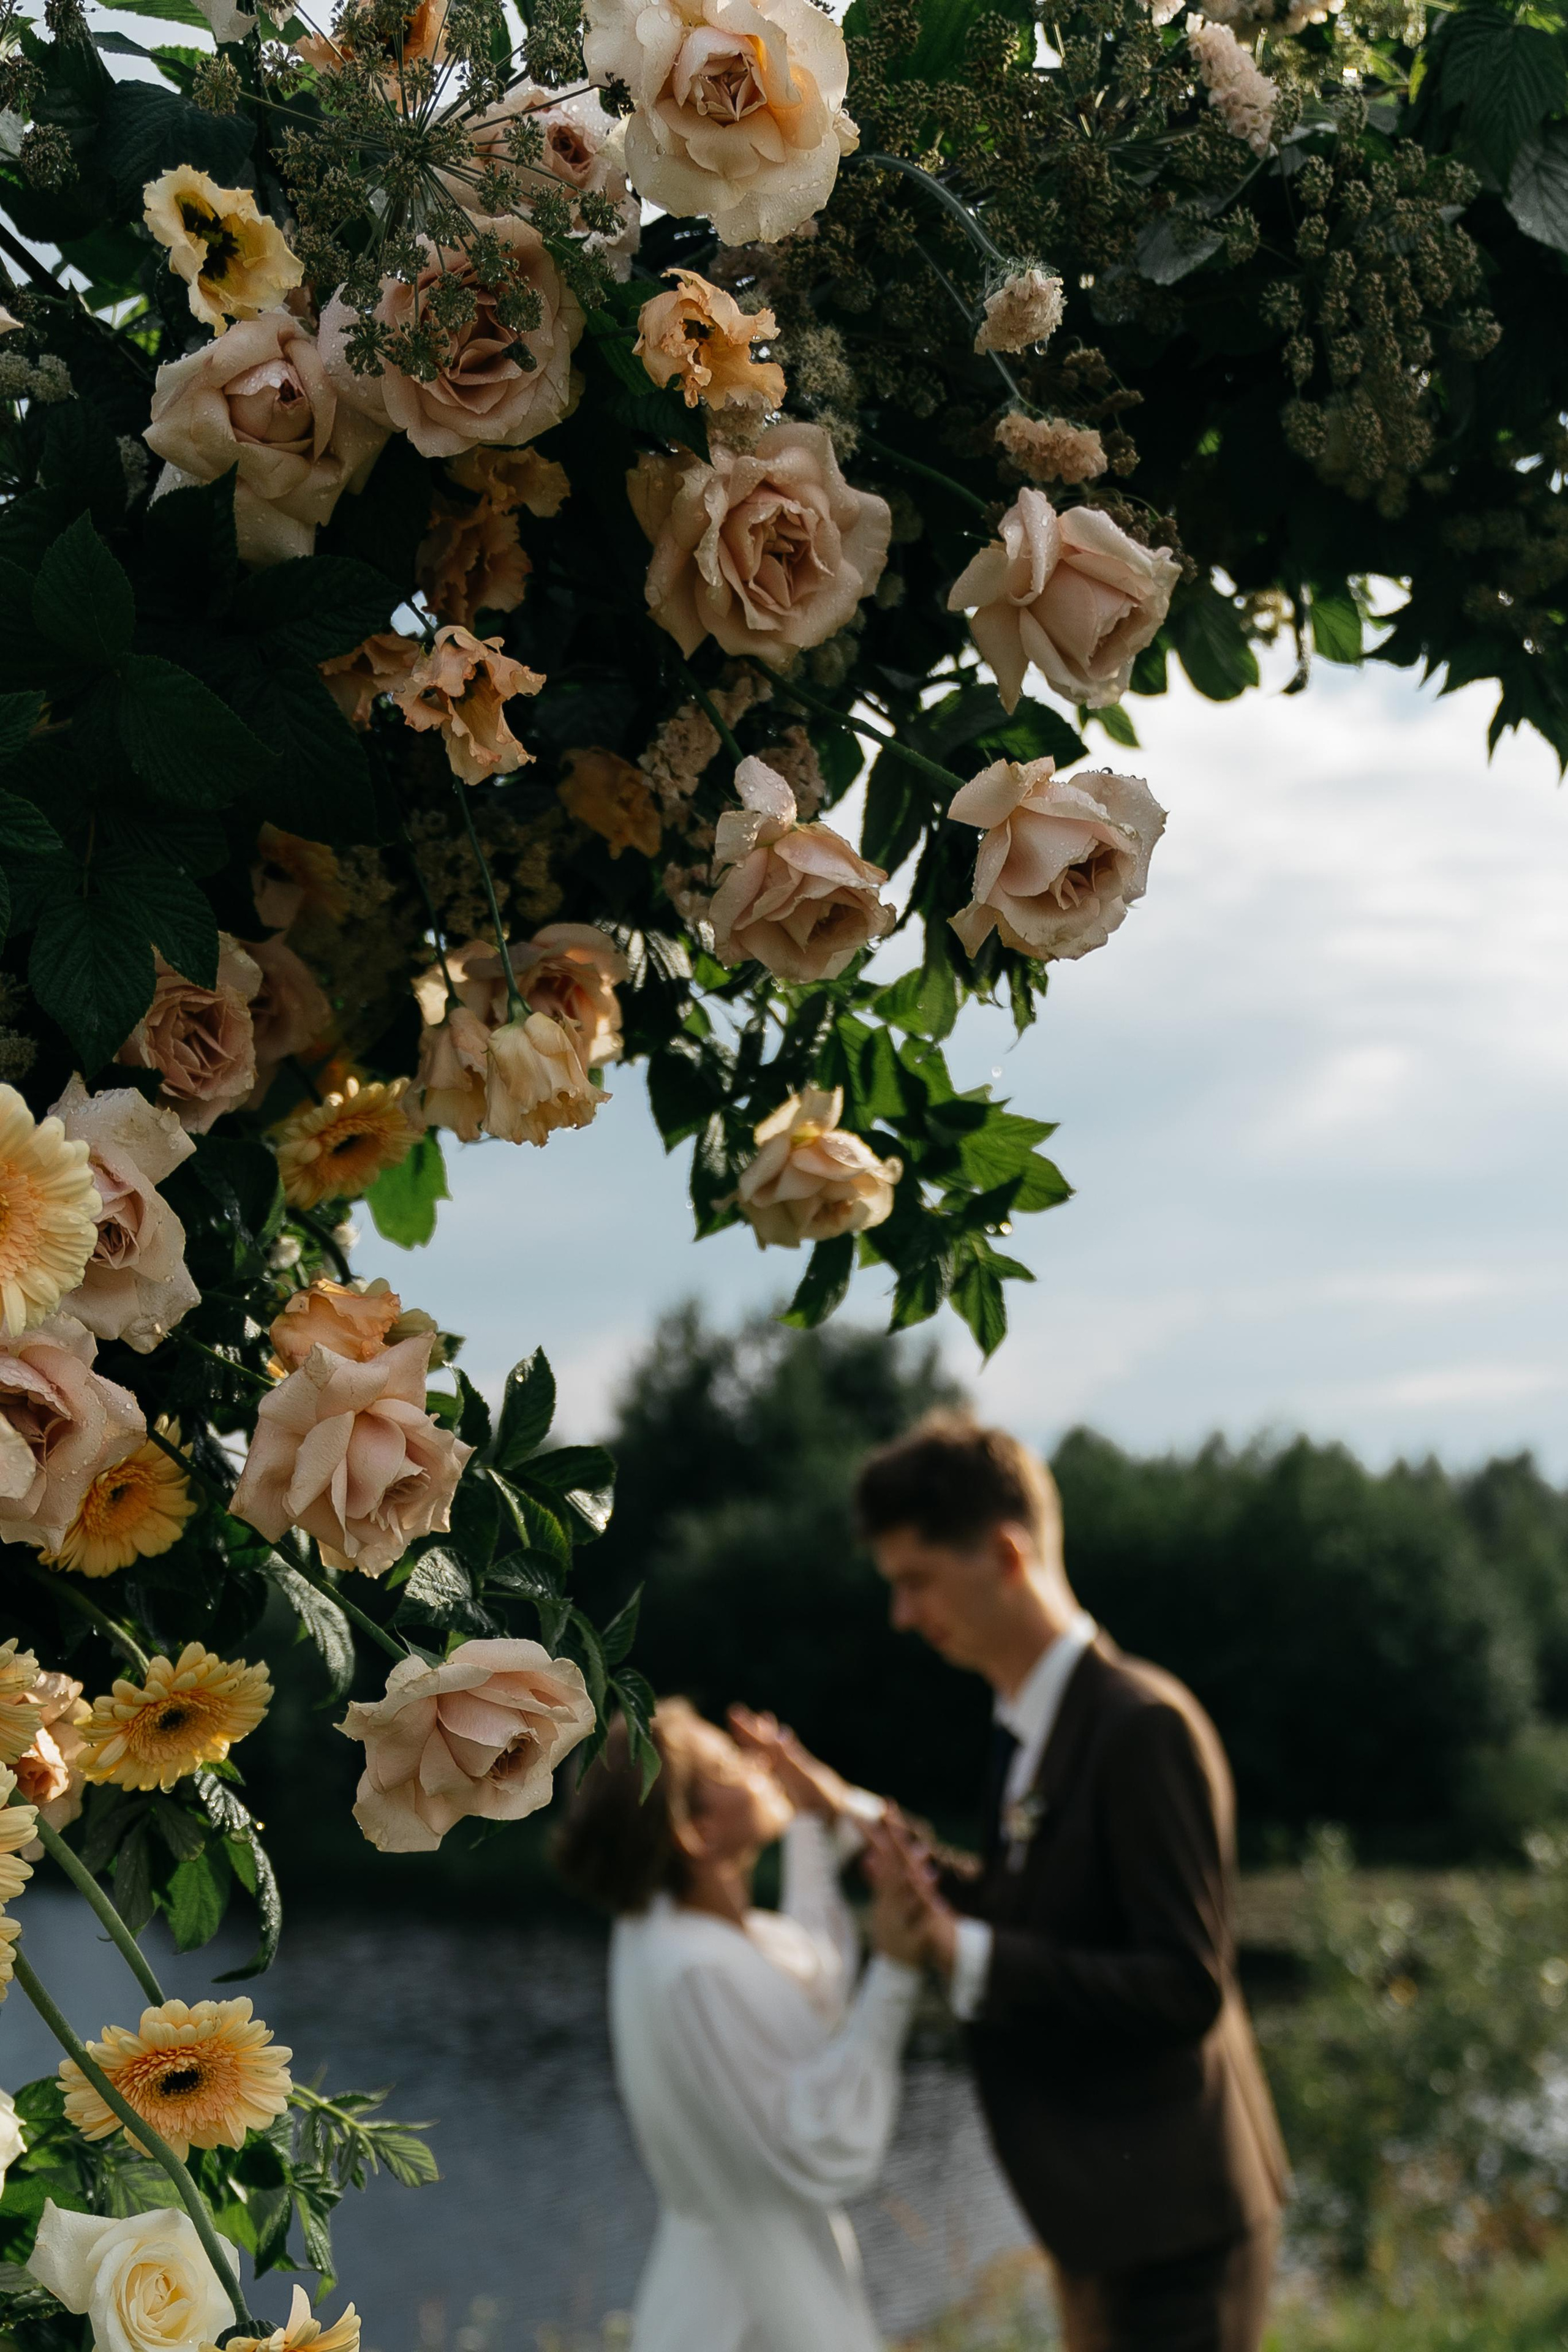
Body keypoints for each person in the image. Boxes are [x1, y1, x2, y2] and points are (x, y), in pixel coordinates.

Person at [734, 1412, 1288, 2352]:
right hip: (1104, 2220)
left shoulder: (1142, 1726)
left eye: (917, 1582)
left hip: (1175, 2228)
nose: (903, 1616)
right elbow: (1023, 1892)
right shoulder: (1025, 1720)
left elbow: (1184, 1984)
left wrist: (960, 1954)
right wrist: (845, 1814)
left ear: (1004, 1552)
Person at [554, 1697, 924, 2352]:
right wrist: (895, 1972)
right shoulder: (695, 1970)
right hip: (747, 2314)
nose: (757, 1764)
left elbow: (811, 1972)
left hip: (731, 2282)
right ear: (695, 1830)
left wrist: (813, 1816)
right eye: (730, 1763)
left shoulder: (674, 1931)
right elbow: (816, 2136)